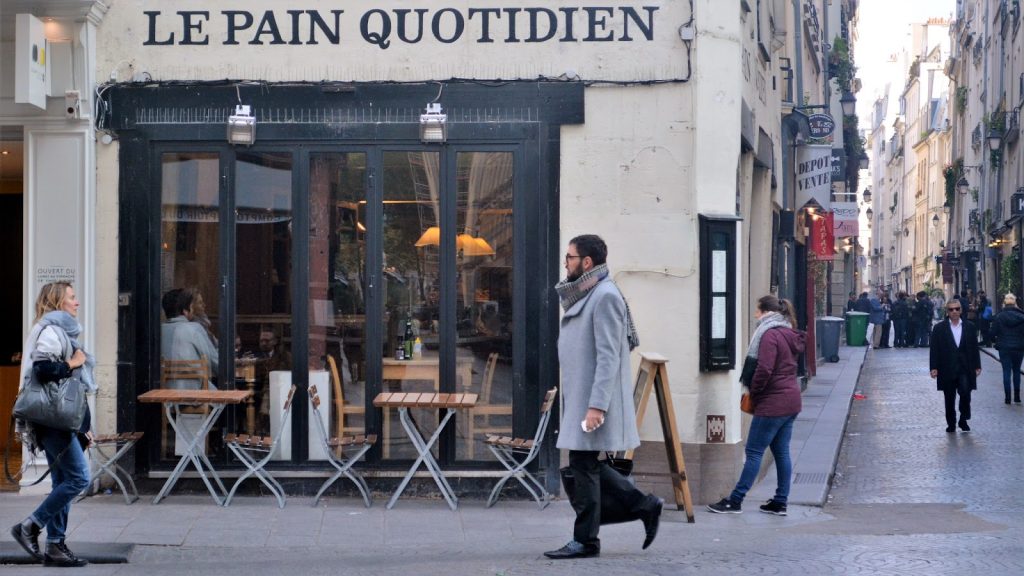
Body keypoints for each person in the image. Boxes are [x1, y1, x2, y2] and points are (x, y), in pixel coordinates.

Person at [544, 234, 662, 560]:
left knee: (582, 465)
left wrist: (597, 406)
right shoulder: (589, 293)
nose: (565, 263)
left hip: (592, 401)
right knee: (585, 464)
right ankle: (643, 505)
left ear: (586, 263)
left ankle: (586, 539)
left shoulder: (605, 296)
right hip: (583, 397)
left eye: (570, 257)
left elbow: (609, 356)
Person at [10, 282, 94, 567]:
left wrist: (83, 426)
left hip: (57, 420)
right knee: (79, 478)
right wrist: (73, 363)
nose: (77, 302)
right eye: (72, 297)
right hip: (52, 421)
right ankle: (31, 526)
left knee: (62, 480)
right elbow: (43, 370)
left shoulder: (56, 331)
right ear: (58, 302)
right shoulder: (51, 332)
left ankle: (56, 546)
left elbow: (69, 390)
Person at [707, 295, 804, 516]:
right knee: (781, 452)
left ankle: (736, 500)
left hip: (773, 402)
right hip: (791, 400)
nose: (755, 315)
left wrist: (755, 391)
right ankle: (780, 501)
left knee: (753, 452)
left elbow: (764, 369)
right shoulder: (789, 332)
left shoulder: (769, 335)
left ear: (767, 312)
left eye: (757, 311)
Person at [929, 299, 981, 433]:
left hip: (965, 367)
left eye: (957, 309)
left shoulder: (969, 327)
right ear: (947, 312)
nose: (954, 312)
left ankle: (963, 418)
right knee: (949, 397)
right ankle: (951, 423)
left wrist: (977, 365)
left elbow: (974, 347)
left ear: (961, 310)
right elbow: (934, 349)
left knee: (965, 392)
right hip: (946, 367)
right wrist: (933, 367)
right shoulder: (939, 328)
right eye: (951, 309)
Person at [161, 288, 219, 389]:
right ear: (186, 309)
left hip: (165, 397)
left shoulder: (158, 331)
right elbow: (216, 364)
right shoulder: (195, 328)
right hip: (197, 396)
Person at [990, 293, 1024, 404]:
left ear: (1004, 303)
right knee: (1017, 371)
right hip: (1019, 347)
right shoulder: (1022, 317)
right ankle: (1017, 397)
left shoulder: (999, 316)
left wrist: (996, 341)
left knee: (1006, 371)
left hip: (1004, 347)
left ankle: (1008, 398)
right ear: (1015, 303)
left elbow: (992, 333)